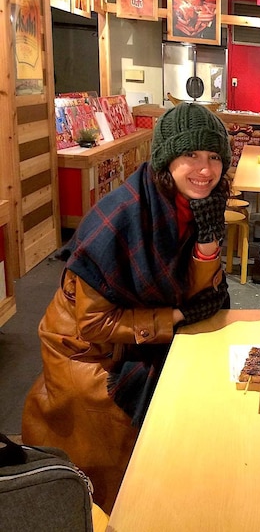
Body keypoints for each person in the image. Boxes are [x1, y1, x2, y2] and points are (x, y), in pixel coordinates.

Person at [22, 103, 232, 513]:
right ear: (165, 159)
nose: (205, 169)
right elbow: (94, 324)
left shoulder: (191, 206)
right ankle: (132, 505)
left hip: (135, 333)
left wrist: (207, 244)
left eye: (213, 157)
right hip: (88, 354)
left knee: (204, 379)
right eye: (191, 155)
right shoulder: (121, 217)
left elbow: (189, 289)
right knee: (162, 409)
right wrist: (173, 318)